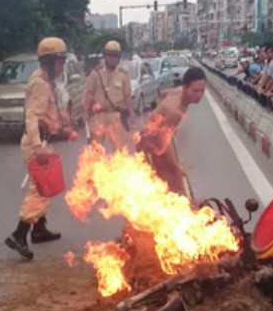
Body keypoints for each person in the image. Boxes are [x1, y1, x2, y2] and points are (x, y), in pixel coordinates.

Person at [5, 37, 78, 260]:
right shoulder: (39, 83)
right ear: (49, 61)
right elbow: (32, 116)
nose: (62, 66)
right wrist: (37, 147)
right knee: (41, 190)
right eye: (60, 61)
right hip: (36, 143)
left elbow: (47, 116)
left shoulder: (45, 81)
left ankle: (39, 229)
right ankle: (19, 234)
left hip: (42, 141)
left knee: (46, 187)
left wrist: (63, 128)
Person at [135, 67, 206, 196]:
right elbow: (162, 143)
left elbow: (163, 94)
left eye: (202, 90)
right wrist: (175, 166)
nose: (199, 95)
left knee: (171, 179)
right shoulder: (175, 110)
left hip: (156, 137)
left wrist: (162, 120)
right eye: (195, 91)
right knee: (173, 180)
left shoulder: (178, 91)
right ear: (185, 88)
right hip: (149, 145)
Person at [83, 40, 137, 152]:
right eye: (110, 55)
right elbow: (88, 94)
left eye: (115, 56)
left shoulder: (123, 75)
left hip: (116, 116)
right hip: (98, 116)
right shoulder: (95, 73)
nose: (112, 58)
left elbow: (127, 97)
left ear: (118, 58)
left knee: (119, 150)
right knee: (95, 150)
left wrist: (132, 114)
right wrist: (85, 112)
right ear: (105, 56)